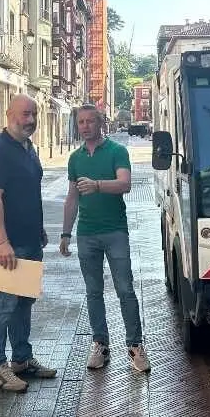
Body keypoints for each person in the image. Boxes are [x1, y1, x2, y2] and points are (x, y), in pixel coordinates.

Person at [59, 104, 151, 372]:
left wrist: (98, 185)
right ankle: (100, 344)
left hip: (115, 232)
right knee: (93, 292)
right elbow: (72, 198)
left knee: (125, 290)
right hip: (86, 233)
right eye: (81, 122)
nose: (85, 126)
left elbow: (125, 184)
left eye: (90, 121)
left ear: (101, 123)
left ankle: (135, 346)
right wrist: (66, 233)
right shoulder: (75, 158)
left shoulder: (117, 151)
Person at [0, 93, 57, 393]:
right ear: (9, 114)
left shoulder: (28, 148)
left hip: (29, 240)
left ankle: (22, 360)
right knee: (3, 305)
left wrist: (38, 229)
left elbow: (29, 193)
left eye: (34, 114)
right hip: (9, 243)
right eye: (25, 114)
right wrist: (2, 242)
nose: (30, 120)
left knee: (24, 303)